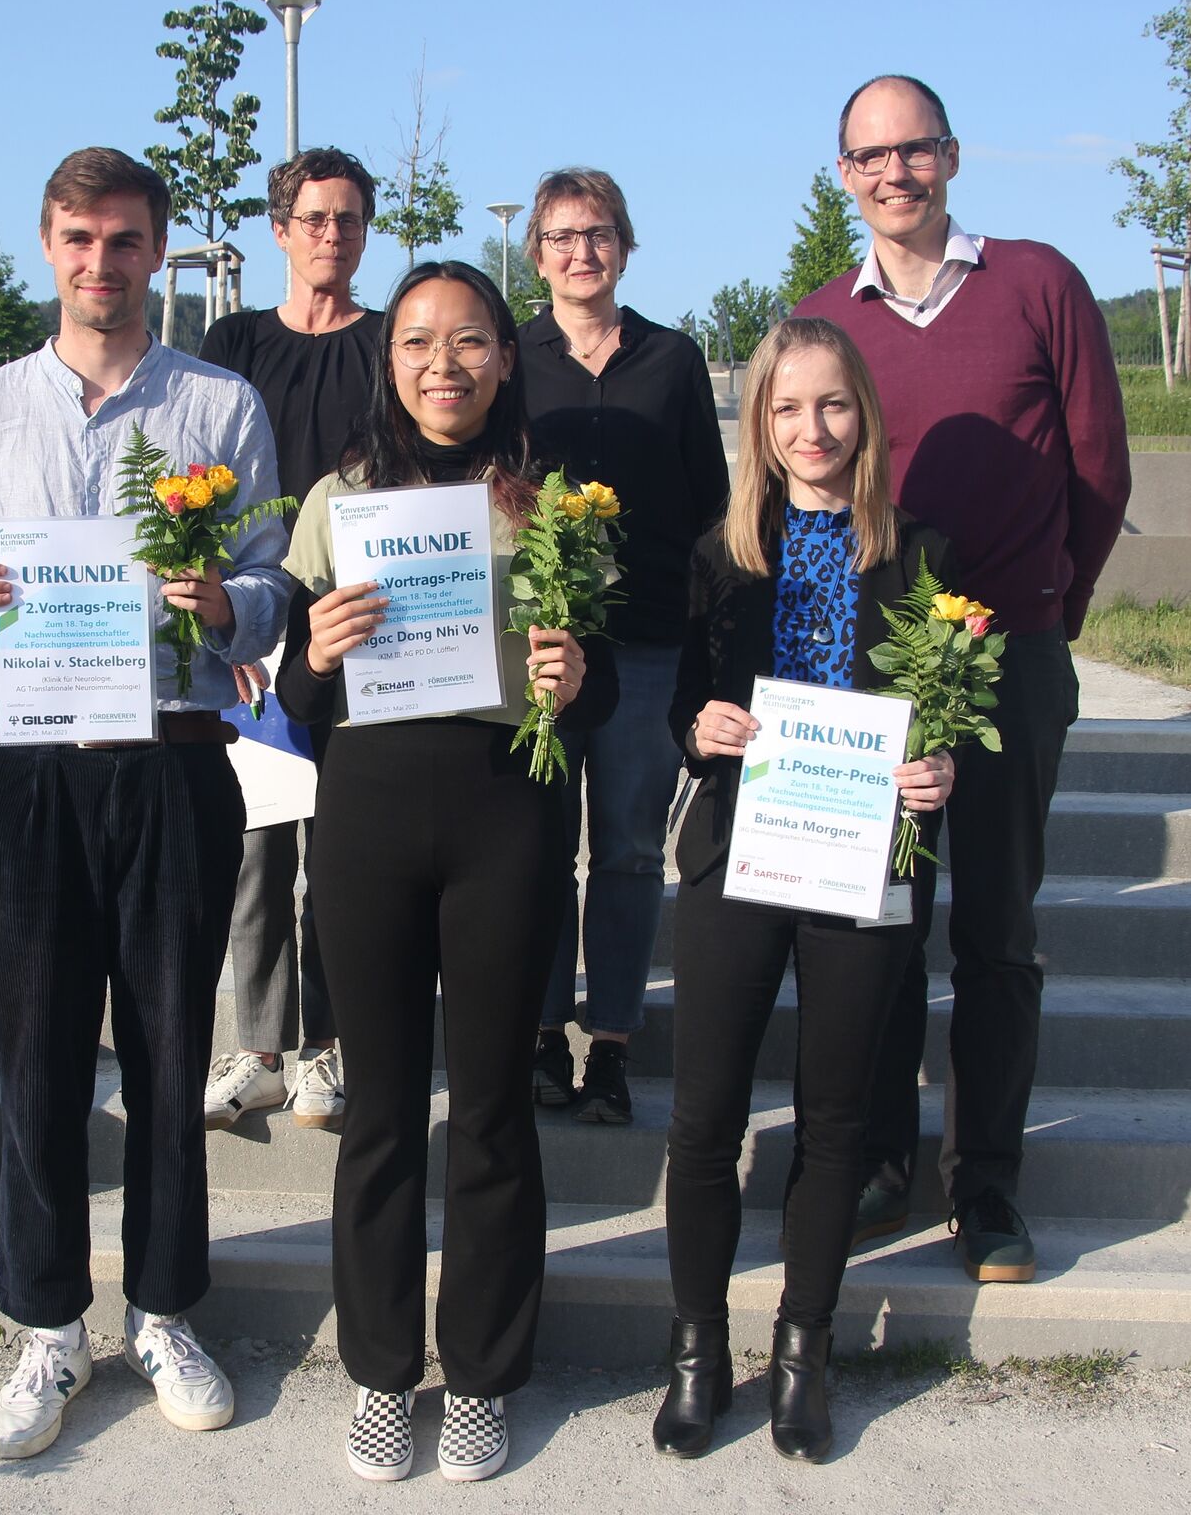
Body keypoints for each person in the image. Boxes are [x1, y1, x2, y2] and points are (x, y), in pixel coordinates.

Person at [0, 148, 291, 1459]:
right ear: (47, 245)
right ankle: (49, 1321)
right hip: (25, 766)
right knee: (41, 1051)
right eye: (77, 238)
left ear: (158, 250)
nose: (99, 263)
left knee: (175, 1051)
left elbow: (271, 576)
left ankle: (169, 1305)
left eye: (124, 241)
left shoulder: (221, 406)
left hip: (171, 756)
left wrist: (235, 604)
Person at [276, 260, 615, 1482]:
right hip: (366, 813)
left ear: (506, 357)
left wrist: (576, 683)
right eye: (418, 342)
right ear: (390, 359)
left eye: (470, 340)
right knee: (378, 1112)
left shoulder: (552, 504)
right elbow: (297, 706)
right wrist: (311, 653)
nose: (443, 364)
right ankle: (378, 1371)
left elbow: (601, 689)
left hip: (505, 818)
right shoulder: (339, 499)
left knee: (487, 1110)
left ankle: (477, 1370)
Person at [794, 75, 1132, 1281]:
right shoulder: (825, 314)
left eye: (914, 149)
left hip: (1010, 660)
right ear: (844, 173)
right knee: (877, 920)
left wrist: (1046, 613)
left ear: (951, 155)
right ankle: (882, 1159)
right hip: (868, 676)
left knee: (994, 930)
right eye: (869, 155)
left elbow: (1098, 472)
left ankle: (984, 1186)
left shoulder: (1038, 283)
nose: (895, 173)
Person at [656, 316, 956, 1463]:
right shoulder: (724, 553)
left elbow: (950, 707)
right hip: (742, 852)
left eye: (831, 405)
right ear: (760, 424)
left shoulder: (924, 553)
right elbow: (686, 699)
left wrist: (942, 768)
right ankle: (696, 1352)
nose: (811, 428)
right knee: (703, 1119)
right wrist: (703, 723)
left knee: (833, 1122)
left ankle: (803, 1349)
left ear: (863, 415)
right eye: (787, 408)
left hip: (864, 858)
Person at [518, 168, 730, 1124]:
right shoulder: (509, 358)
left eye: (597, 233)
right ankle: (534, 1030)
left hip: (645, 640)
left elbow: (710, 510)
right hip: (540, 645)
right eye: (561, 236)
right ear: (535, 253)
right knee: (533, 844)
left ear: (625, 246)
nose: (580, 252)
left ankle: (608, 1043)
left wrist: (708, 644)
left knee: (631, 850)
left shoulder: (672, 359)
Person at [198, 147, 382, 1134]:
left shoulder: (390, 342)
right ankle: (260, 1047)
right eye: (314, 218)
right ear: (280, 230)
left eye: (349, 219)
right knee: (259, 846)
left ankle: (332, 1046)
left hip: (359, 633)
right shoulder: (234, 343)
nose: (332, 235)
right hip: (259, 629)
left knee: (344, 850)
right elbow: (202, 471)